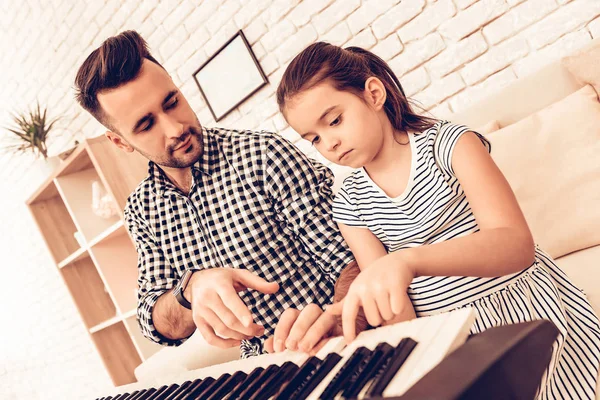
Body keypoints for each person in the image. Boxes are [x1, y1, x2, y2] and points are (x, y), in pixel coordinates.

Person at [275, 41, 600, 399]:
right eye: (315, 139)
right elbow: (395, 307)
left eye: (335, 121)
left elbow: (515, 243)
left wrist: (408, 260)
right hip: (448, 334)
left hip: (521, 313)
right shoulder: (349, 203)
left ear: (373, 94)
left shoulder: (450, 144)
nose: (329, 144)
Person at [73, 31, 356, 358]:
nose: (175, 128)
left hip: (331, 347)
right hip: (261, 370)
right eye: (146, 124)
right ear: (120, 142)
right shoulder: (142, 209)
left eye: (172, 102)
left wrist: (333, 321)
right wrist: (189, 291)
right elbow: (156, 325)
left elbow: (352, 259)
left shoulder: (263, 155)